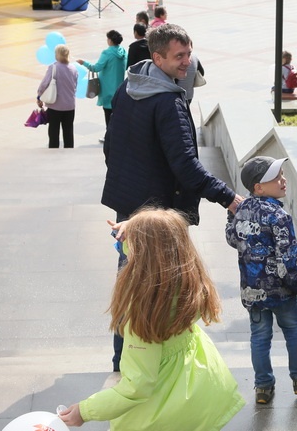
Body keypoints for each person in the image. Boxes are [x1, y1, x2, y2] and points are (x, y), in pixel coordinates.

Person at [102, 23, 244, 370]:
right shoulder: (167, 101)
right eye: (179, 56)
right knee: (165, 287)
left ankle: (124, 360)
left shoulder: (130, 86)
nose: (187, 62)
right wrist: (229, 198)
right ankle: (157, 361)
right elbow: (185, 165)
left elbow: (112, 145)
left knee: (132, 283)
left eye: (189, 53)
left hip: (130, 204)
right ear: (158, 58)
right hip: (157, 213)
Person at [58, 208, 245, 430]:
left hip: (161, 415)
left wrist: (85, 411)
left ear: (141, 254)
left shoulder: (145, 314)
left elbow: (137, 387)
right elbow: (164, 238)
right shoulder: (186, 286)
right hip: (199, 397)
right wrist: (139, 227)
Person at [226, 156, 297, 404]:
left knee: (259, 337)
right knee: (293, 331)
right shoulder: (280, 216)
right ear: (259, 187)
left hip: (252, 292)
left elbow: (232, 238)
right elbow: (288, 259)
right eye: (276, 177)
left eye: (282, 175)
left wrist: (231, 217)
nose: (283, 180)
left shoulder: (242, 210)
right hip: (281, 292)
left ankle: (263, 387)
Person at [77, 30, 127, 135]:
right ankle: (117, 136)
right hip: (119, 89)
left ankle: (109, 137)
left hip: (107, 89)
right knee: (117, 115)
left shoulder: (107, 53)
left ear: (110, 40)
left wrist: (83, 63)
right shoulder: (123, 51)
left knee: (108, 115)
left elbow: (96, 68)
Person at [36, 44, 79, 149]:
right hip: (70, 106)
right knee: (68, 131)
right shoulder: (74, 68)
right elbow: (75, 85)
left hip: (55, 106)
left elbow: (44, 84)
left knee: (54, 132)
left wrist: (39, 96)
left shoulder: (53, 67)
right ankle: (69, 153)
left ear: (58, 54)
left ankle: (53, 154)